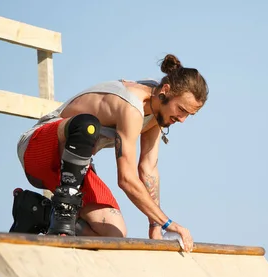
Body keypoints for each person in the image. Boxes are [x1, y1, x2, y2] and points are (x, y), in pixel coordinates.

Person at [15, 54, 208, 252]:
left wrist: (155, 225)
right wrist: (169, 223)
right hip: (38, 148)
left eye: (189, 115)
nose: (182, 119)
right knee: (87, 125)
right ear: (166, 91)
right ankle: (63, 214)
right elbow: (126, 178)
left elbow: (148, 168)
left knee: (113, 235)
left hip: (72, 168)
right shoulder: (131, 106)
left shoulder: (158, 110)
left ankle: (39, 213)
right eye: (181, 110)